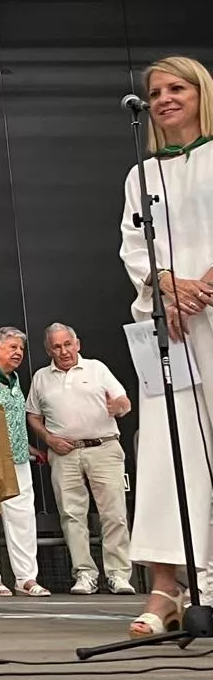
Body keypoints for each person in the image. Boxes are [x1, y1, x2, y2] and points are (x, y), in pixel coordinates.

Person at [120, 55, 213, 637]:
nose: (164, 98)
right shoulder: (141, 173)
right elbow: (134, 242)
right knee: (165, 451)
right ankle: (165, 591)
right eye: (155, 91)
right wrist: (164, 283)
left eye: (177, 87)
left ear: (202, 93)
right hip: (171, 326)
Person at [25, 323, 132, 596]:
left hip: (103, 447)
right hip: (64, 453)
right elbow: (33, 416)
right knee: (72, 516)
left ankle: (119, 575)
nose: (63, 351)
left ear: (78, 344)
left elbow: (124, 402)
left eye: (67, 344)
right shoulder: (41, 377)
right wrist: (49, 440)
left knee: (114, 514)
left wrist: (117, 407)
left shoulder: (97, 368)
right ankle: (84, 574)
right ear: (49, 350)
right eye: (57, 347)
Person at [0, 327, 48, 598]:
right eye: (12, 347)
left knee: (23, 518)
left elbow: (14, 422)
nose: (18, 352)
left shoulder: (15, 379)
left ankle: (26, 577)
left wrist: (29, 448)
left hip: (17, 458)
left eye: (21, 349)